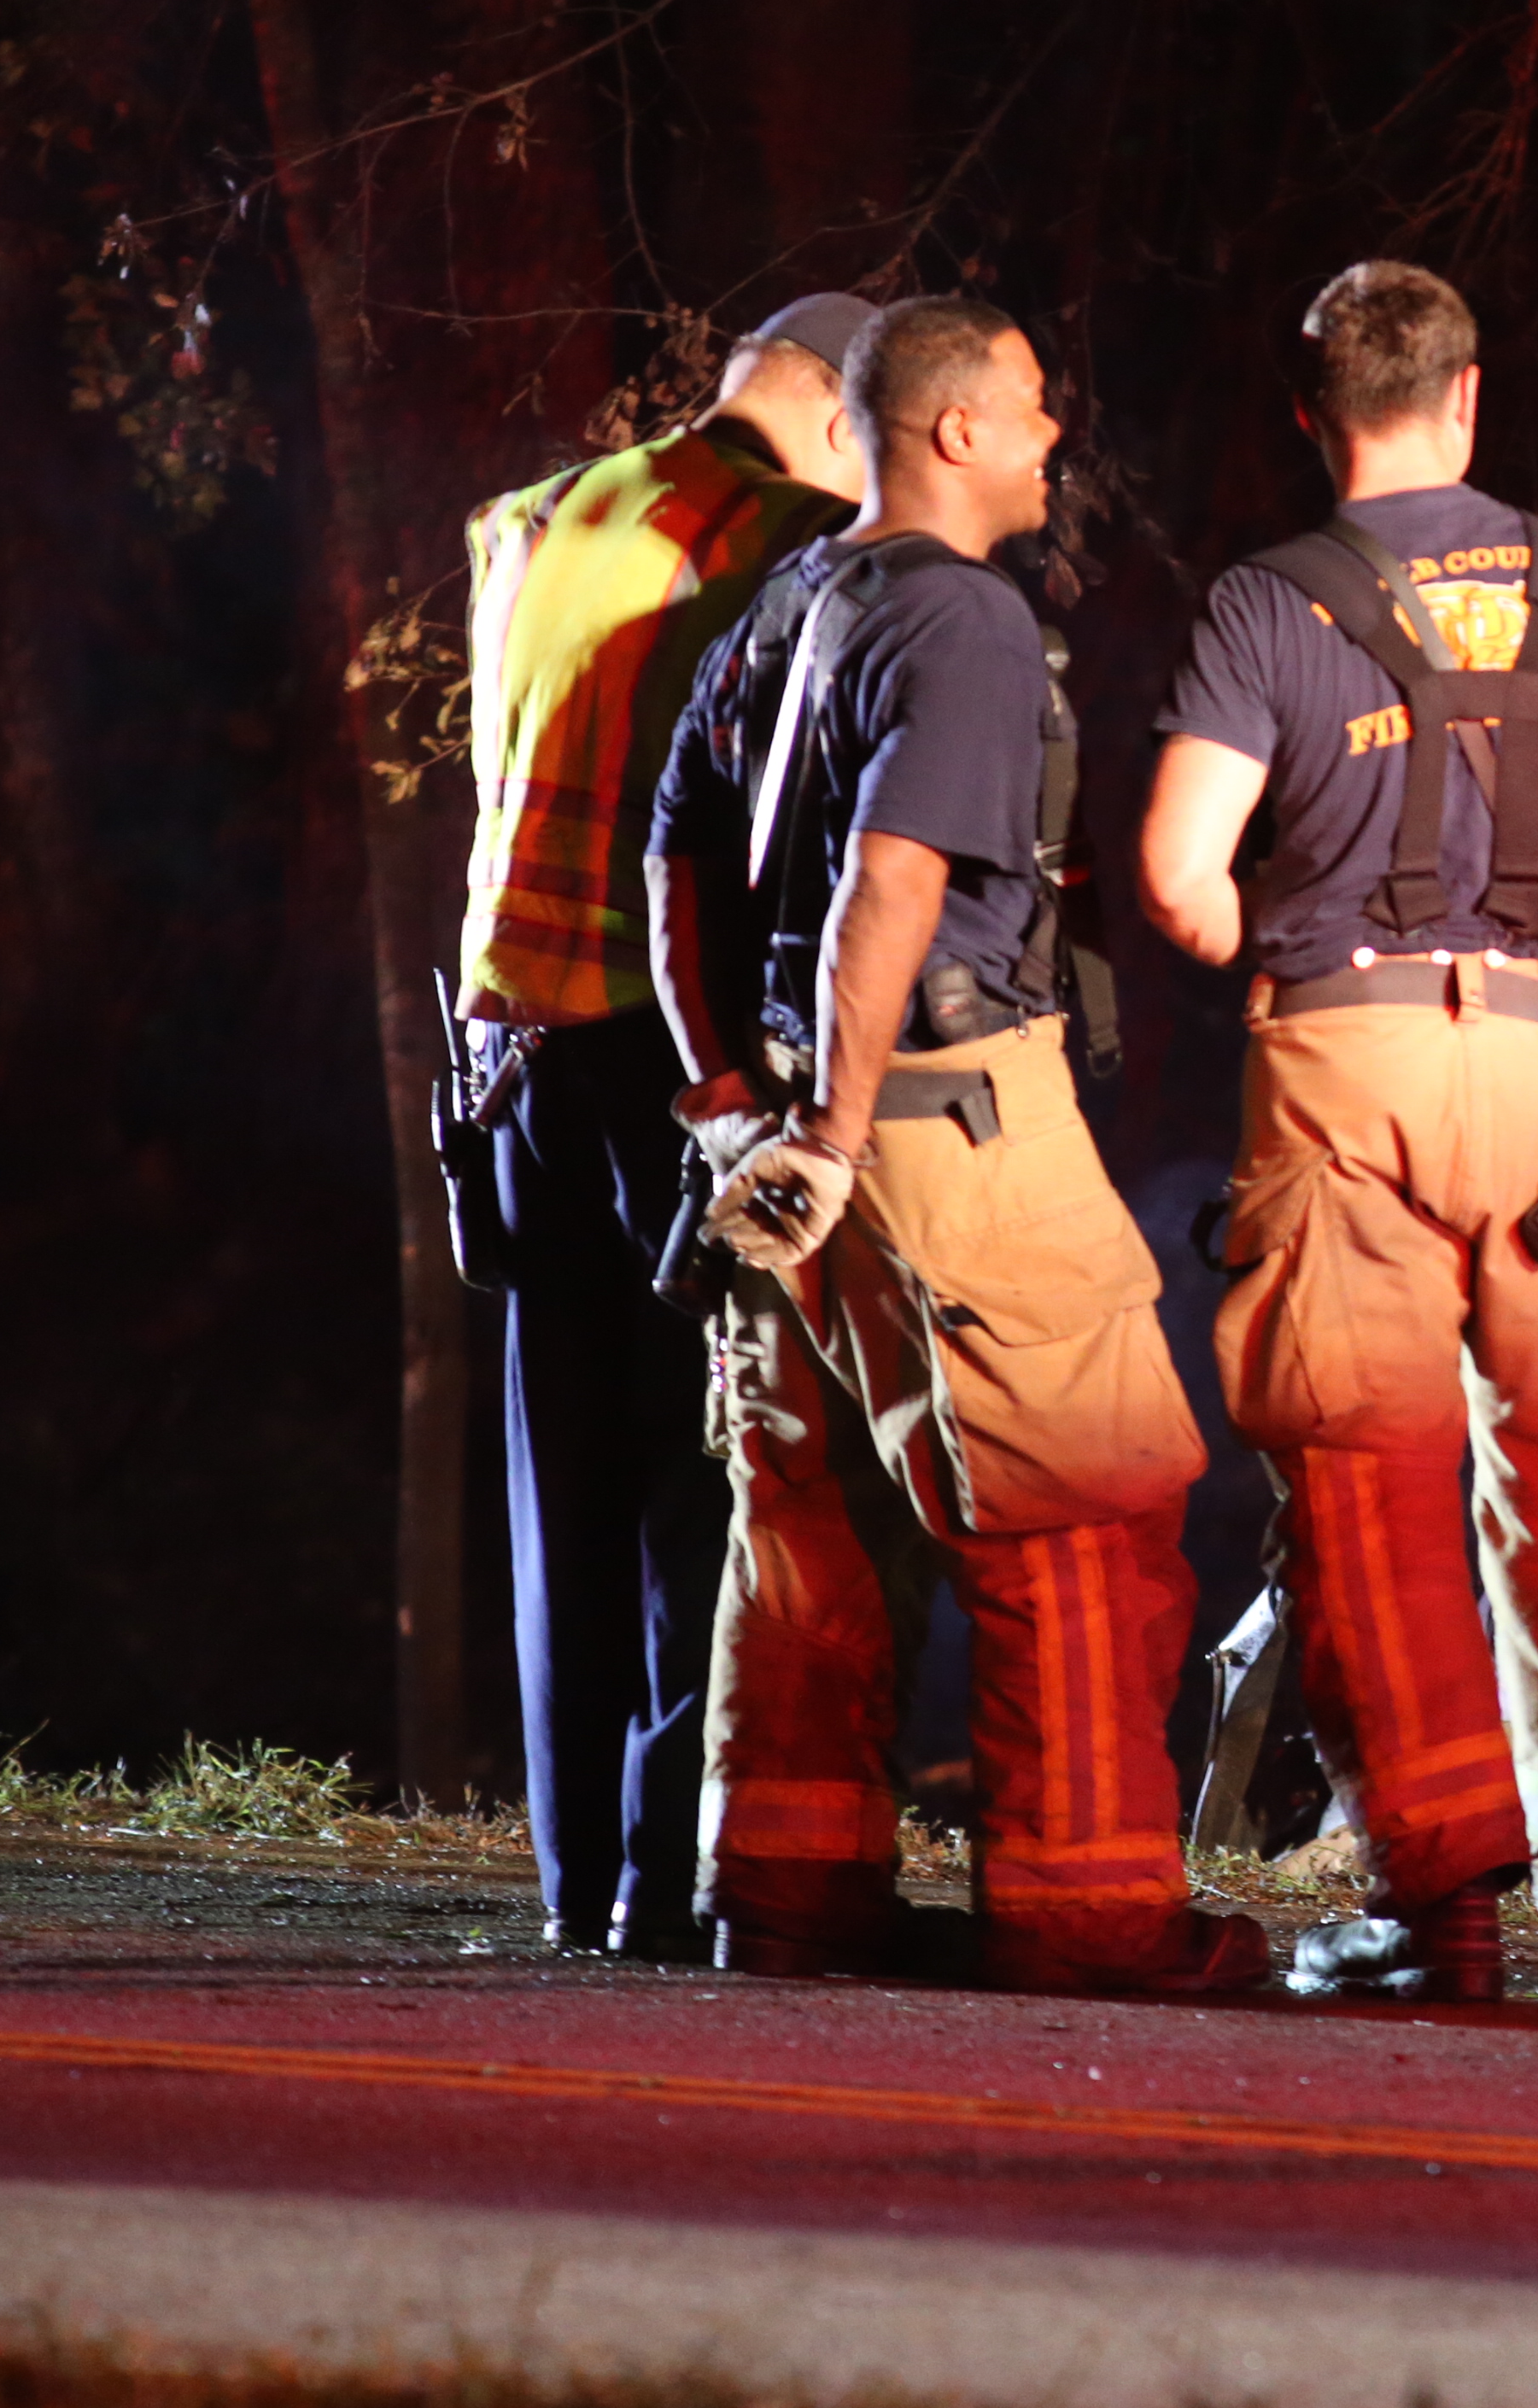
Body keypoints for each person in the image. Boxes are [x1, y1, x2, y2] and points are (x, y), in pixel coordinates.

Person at [1133, 260, 1538, 2000]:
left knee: (1368, 1497)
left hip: (1351, 1080)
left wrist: (1269, 927)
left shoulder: (1269, 604)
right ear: (1469, 397)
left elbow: (1180, 875)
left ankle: (1445, 1917)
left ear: (1312, 415)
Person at [643, 292, 1262, 1991]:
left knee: (807, 1519)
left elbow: (672, 862)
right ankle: (1088, 1925)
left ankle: (786, 1899)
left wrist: (730, 1106)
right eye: (1035, 406)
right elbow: (893, 882)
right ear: (952, 429)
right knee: (1085, 1512)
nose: (1057, 436)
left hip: (782, 1147)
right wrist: (844, 1126)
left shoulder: (779, 605)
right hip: (936, 1122)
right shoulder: (964, 625)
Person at [454, 292, 871, 1956]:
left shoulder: (543, 515)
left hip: (508, 1056)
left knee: (561, 1476)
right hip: (661, 1061)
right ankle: (661, 1873)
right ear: (838, 415)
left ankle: (573, 1883)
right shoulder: (783, 536)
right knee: (706, 1473)